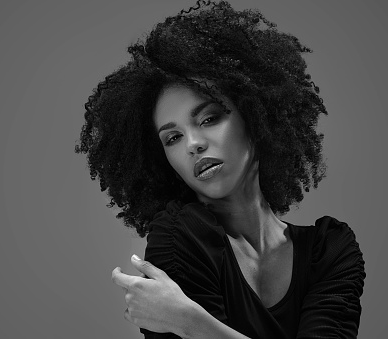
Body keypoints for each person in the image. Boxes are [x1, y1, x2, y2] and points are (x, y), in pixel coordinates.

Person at [75, 1, 365, 338]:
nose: (192, 144)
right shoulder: (179, 238)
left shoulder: (329, 250)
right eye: (172, 138)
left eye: (209, 118)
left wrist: (191, 322)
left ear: (256, 114)